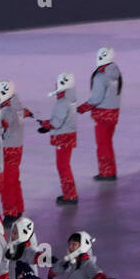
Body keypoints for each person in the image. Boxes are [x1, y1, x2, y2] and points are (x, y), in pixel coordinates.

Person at [78, 47, 123, 181]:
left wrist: (82, 108)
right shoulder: (116, 72)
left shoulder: (100, 76)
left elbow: (96, 99)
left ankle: (106, 173)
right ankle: (111, 170)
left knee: (103, 145)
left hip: (103, 115)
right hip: (114, 113)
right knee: (108, 143)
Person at [0, 80, 34, 222]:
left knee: (7, 182)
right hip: (17, 147)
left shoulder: (7, 110)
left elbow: (2, 125)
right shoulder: (17, 106)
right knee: (14, 180)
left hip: (8, 148)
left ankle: (10, 213)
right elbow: (24, 112)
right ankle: (18, 208)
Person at [38, 72, 79, 205]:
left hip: (63, 138)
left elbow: (56, 123)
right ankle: (70, 194)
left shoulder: (62, 102)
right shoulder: (70, 101)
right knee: (64, 165)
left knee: (63, 167)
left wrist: (46, 126)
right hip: (68, 136)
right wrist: (46, 123)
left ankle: (70, 195)